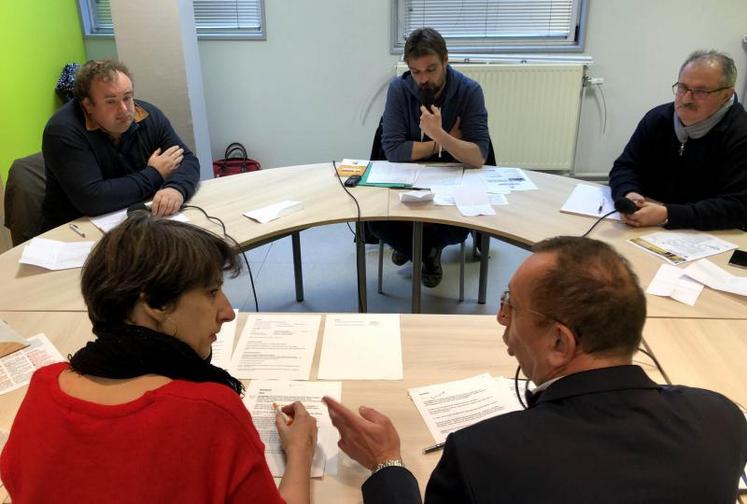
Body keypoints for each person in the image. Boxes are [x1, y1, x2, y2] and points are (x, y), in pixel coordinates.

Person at [323, 236, 747, 503]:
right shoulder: (722, 418)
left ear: (560, 342)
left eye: (511, 306)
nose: (500, 318)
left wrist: (386, 464)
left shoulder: (480, 456)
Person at [0, 212, 318, 504]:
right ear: (155, 303)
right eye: (211, 292)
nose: (227, 312)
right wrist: (300, 450)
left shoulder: (43, 387)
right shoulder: (210, 414)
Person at [368, 27, 491, 288]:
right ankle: (425, 252)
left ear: (446, 60)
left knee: (458, 225)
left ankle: (415, 249)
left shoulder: (470, 92)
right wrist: (441, 142)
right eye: (415, 72)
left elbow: (479, 156)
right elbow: (393, 151)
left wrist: (439, 135)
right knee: (377, 222)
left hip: (451, 179)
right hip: (406, 177)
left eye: (431, 69)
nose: (423, 79)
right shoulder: (399, 90)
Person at [41, 59, 201, 231]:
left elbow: (188, 160)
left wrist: (175, 188)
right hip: (76, 231)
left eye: (127, 97)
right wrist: (155, 174)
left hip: (137, 219)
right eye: (111, 102)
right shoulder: (62, 131)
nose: (124, 109)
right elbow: (93, 199)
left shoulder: (147, 115)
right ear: (88, 105)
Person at [609, 50, 747, 230]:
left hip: (709, 234)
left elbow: (738, 206)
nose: (686, 98)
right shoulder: (657, 118)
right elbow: (625, 166)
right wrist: (629, 192)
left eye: (700, 92)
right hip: (647, 224)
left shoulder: (740, 134)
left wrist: (669, 214)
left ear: (726, 95)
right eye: (682, 87)